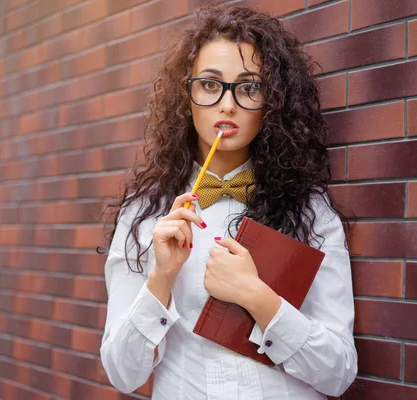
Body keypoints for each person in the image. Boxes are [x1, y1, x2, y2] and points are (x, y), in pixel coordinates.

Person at [99, 4, 357, 399]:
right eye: (210, 84)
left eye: (249, 86)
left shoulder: (310, 211)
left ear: (272, 103)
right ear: (186, 97)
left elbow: (338, 373)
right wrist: (161, 277)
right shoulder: (143, 216)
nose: (228, 104)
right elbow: (123, 374)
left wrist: (255, 296)